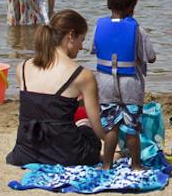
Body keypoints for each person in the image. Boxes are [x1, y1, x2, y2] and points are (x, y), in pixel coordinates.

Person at [5, 9, 103, 167]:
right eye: (81, 40)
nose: (81, 47)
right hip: (66, 154)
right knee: (86, 126)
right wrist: (112, 141)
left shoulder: (22, 68)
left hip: (27, 151)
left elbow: (43, 105)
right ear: (70, 35)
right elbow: (97, 126)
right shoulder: (82, 75)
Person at [91, 0, 158, 169]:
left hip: (105, 84)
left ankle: (106, 165)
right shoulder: (138, 30)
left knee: (110, 126)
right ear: (133, 6)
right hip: (130, 85)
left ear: (108, 3)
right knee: (131, 129)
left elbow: (95, 49)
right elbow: (150, 57)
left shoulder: (98, 27)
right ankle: (136, 165)